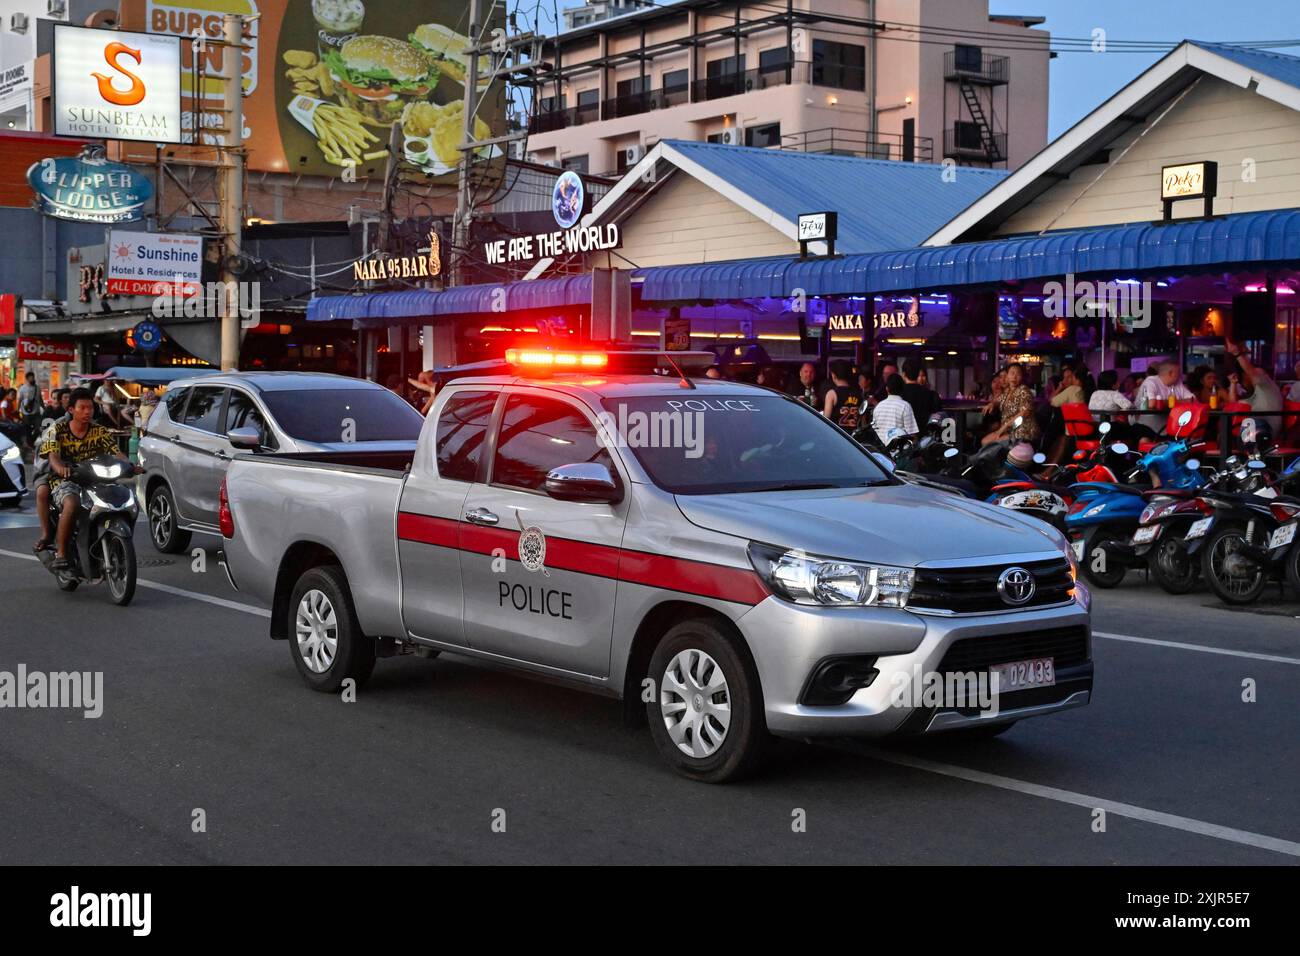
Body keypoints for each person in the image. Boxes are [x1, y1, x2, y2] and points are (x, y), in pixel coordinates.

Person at [39, 388, 138, 569]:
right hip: (66, 479)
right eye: (82, 408)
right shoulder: (58, 429)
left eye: (90, 408)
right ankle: (61, 553)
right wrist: (60, 468)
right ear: (71, 410)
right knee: (71, 503)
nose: (87, 412)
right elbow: (53, 455)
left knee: (125, 497)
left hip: (95, 478)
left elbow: (116, 452)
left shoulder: (99, 430)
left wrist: (130, 465)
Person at [1225, 339, 1283, 433]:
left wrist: (1237, 353)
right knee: (1227, 429)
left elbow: (1252, 372)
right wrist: (1233, 383)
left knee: (1246, 425)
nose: (1243, 384)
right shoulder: (1254, 395)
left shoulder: (1266, 385)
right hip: (1254, 427)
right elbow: (1234, 405)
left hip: (1266, 429)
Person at [982, 362, 1039, 446]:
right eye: (1012, 373)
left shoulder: (1023, 390)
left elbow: (1023, 414)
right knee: (984, 441)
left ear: (1022, 377)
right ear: (1008, 376)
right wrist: (992, 404)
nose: (1014, 377)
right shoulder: (1008, 391)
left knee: (990, 444)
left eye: (1018, 374)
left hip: (1023, 431)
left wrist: (1003, 429)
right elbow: (999, 400)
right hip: (1009, 430)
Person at [1134, 361, 1194, 431]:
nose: (1180, 375)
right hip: (1147, 426)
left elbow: (1193, 399)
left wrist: (1165, 402)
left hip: (1171, 427)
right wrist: (1184, 401)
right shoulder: (1150, 381)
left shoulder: (1178, 383)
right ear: (1171, 373)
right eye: (1178, 373)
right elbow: (1152, 404)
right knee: (1144, 438)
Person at [871, 373, 918, 444]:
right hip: (899, 452)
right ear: (902, 388)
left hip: (881, 451)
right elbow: (912, 435)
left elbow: (874, 431)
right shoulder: (905, 406)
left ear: (887, 389)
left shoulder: (878, 407)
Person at [822, 360, 864, 431]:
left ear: (834, 375)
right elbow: (863, 421)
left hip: (838, 437)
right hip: (853, 438)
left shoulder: (832, 394)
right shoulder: (859, 394)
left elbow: (826, 420)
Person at [899, 358, 940, 424]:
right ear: (917, 373)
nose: (921, 378)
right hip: (925, 432)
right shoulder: (931, 395)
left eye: (923, 375)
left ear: (903, 374)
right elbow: (936, 416)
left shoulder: (899, 394)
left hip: (904, 432)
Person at [17, 372, 43, 446]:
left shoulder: (37, 388)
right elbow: (19, 400)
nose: (32, 379)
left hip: (36, 412)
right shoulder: (22, 388)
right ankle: (30, 444)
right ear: (27, 379)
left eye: (33, 377)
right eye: (31, 377)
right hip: (26, 413)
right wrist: (17, 410)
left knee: (38, 428)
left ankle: (31, 441)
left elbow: (40, 399)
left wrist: (44, 408)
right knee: (27, 430)